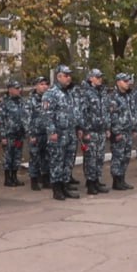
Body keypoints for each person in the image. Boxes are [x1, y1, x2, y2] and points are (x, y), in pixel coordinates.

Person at [42, 65, 80, 200]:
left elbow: (74, 112)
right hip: (58, 133)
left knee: (68, 161)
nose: (69, 78)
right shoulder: (51, 93)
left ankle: (65, 186)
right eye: (66, 75)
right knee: (57, 161)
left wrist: (77, 128)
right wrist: (52, 131)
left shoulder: (69, 93)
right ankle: (57, 189)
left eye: (70, 75)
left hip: (70, 132)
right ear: (58, 77)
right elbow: (47, 114)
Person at [76, 69, 111, 195]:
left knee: (99, 157)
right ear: (91, 78)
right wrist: (84, 130)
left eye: (100, 77)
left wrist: (107, 127)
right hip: (90, 130)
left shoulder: (101, 92)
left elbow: (106, 111)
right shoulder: (85, 93)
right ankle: (90, 183)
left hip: (100, 130)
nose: (100, 79)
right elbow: (81, 112)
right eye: (97, 77)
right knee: (90, 158)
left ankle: (96, 180)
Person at [107, 73, 137, 191]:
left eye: (128, 81)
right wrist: (116, 132)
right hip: (119, 132)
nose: (127, 83)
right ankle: (116, 181)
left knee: (126, 156)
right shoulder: (113, 97)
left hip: (128, 131)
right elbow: (113, 116)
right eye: (125, 81)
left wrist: (134, 128)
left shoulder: (129, 96)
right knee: (118, 156)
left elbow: (133, 112)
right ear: (118, 82)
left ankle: (122, 179)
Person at [0, 79, 28, 188]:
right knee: (8, 157)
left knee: (17, 157)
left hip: (19, 134)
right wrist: (2, 136)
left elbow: (25, 117)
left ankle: (14, 177)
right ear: (10, 89)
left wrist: (26, 131)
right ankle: (7, 178)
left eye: (20, 88)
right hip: (9, 134)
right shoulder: (4, 102)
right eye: (17, 88)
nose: (19, 90)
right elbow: (1, 120)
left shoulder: (22, 101)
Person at [25, 76, 50, 191]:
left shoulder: (49, 99)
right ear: (36, 86)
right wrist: (30, 134)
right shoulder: (31, 100)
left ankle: (45, 180)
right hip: (35, 134)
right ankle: (34, 180)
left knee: (47, 157)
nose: (45, 86)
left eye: (46, 84)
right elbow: (26, 119)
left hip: (47, 133)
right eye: (41, 84)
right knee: (34, 157)